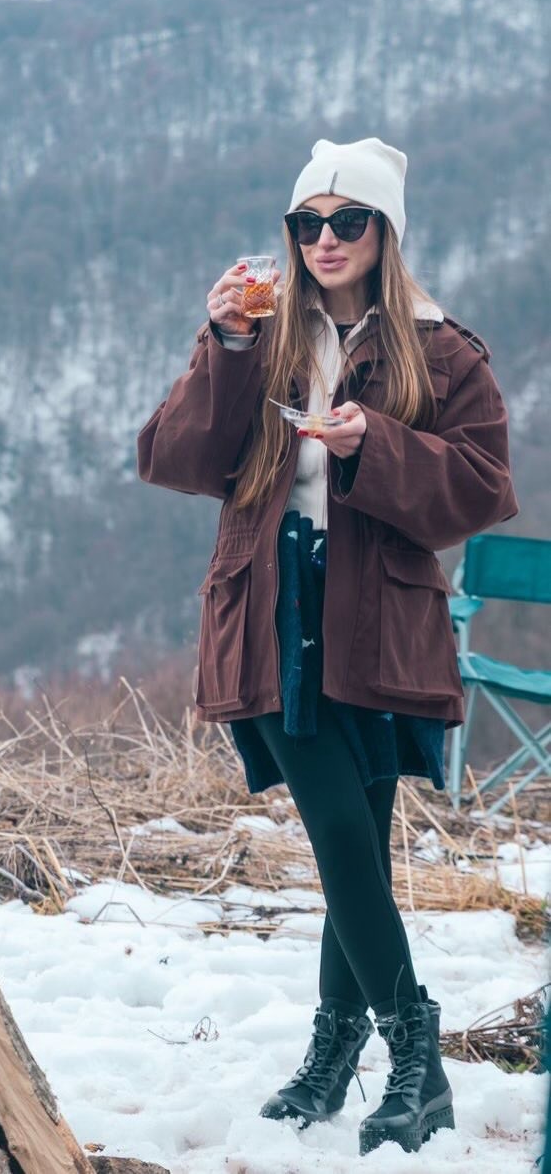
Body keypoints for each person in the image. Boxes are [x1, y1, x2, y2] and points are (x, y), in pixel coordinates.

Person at [137, 138, 516, 1157]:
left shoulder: (440, 350)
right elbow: (172, 458)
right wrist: (216, 342)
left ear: (384, 231)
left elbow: (484, 485)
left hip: (378, 614)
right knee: (343, 839)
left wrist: (372, 447)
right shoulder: (258, 336)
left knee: (356, 846)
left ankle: (332, 1049)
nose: (325, 240)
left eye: (348, 221)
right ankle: (416, 1057)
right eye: (308, 223)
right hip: (268, 609)